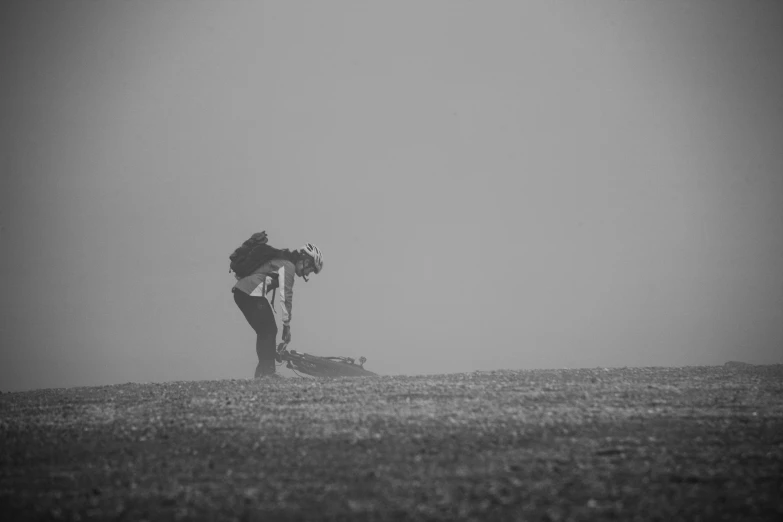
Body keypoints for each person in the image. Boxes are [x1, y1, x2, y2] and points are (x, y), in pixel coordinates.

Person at [231, 243, 324, 379]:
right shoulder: (288, 266)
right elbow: (286, 297)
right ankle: (268, 372)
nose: (307, 274)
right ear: (306, 261)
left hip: (243, 293)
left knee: (265, 331)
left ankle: (262, 372)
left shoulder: (283, 263)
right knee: (269, 330)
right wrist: (286, 326)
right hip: (249, 293)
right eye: (310, 269)